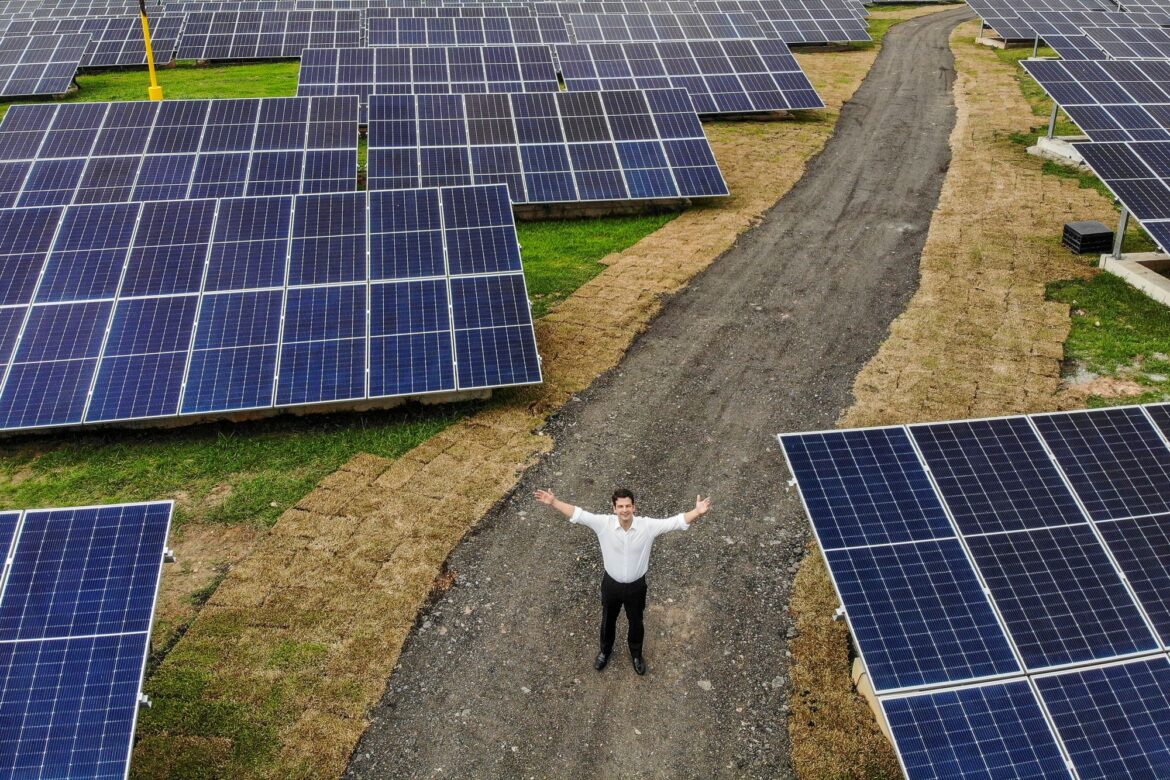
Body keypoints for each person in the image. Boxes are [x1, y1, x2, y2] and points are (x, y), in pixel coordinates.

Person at [533, 487, 712, 675]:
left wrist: (697, 512)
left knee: (636, 621)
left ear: (634, 507)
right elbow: (578, 514)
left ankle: (636, 655)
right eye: (620, 506)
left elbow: (676, 522)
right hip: (611, 585)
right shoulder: (603, 524)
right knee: (608, 620)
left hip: (636, 586)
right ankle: (605, 652)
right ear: (614, 508)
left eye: (628, 506)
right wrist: (553, 502)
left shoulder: (648, 527)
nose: (624, 510)